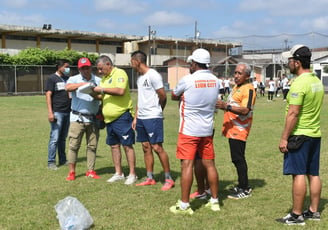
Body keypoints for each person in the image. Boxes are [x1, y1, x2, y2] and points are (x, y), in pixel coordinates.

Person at [277, 45, 324, 225]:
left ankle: (297, 215)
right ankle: (313, 211)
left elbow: (293, 113)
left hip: (299, 135)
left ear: (297, 62)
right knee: (313, 174)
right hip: (314, 134)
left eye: (289, 60)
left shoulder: (299, 83)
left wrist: (284, 138)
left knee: (298, 174)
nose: (287, 63)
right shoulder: (316, 81)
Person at [170, 48, 220, 215]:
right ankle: (214, 200)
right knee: (210, 164)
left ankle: (184, 205)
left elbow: (174, 95)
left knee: (187, 165)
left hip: (189, 130)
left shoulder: (188, 80)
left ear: (194, 63)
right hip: (207, 129)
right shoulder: (215, 80)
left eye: (190, 63)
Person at [130, 50, 174, 191]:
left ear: (137, 61)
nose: (131, 65)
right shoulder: (140, 78)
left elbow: (163, 95)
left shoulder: (153, 75)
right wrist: (136, 117)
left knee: (157, 147)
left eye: (131, 62)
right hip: (142, 118)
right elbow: (141, 99)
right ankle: (150, 178)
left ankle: (168, 178)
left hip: (153, 117)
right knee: (145, 147)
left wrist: (158, 111)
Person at [92, 55, 137, 185]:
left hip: (122, 116)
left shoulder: (120, 73)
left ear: (108, 64)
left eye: (101, 69)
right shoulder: (104, 79)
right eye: (98, 70)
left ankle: (132, 174)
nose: (99, 72)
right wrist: (91, 93)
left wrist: (101, 89)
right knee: (114, 146)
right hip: (109, 119)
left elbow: (120, 91)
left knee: (127, 145)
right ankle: (119, 173)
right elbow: (103, 96)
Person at [216, 62, 256, 200]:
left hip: (240, 128)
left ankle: (245, 188)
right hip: (232, 128)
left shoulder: (249, 88)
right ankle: (241, 185)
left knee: (239, 158)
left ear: (247, 76)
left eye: (240, 73)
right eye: (235, 73)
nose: (236, 76)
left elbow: (246, 110)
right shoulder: (236, 87)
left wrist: (226, 106)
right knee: (236, 158)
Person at [65, 57, 102, 181]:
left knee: (92, 146)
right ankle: (72, 172)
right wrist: (82, 85)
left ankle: (90, 171)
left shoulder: (98, 80)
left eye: (87, 68)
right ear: (79, 69)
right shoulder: (73, 79)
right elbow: (68, 88)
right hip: (77, 118)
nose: (85, 70)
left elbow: (102, 96)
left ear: (91, 67)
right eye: (82, 68)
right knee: (73, 146)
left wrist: (92, 90)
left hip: (93, 118)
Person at [45, 59, 71, 170]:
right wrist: (50, 112)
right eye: (66, 66)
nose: (68, 69)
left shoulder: (67, 79)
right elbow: (48, 95)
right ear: (60, 67)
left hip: (67, 112)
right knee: (54, 138)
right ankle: (51, 162)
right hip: (57, 112)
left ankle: (62, 159)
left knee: (63, 138)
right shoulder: (52, 78)